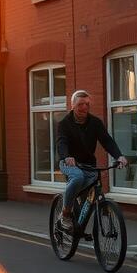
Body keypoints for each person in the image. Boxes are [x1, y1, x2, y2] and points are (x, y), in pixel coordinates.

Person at [55, 90, 128, 233]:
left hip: (88, 164)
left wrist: (119, 156)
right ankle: (65, 215)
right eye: (80, 104)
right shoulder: (64, 123)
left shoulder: (95, 123)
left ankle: (79, 223)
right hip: (69, 163)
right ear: (72, 106)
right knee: (77, 178)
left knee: (91, 189)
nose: (84, 107)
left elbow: (107, 141)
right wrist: (66, 156)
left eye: (87, 104)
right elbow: (61, 143)